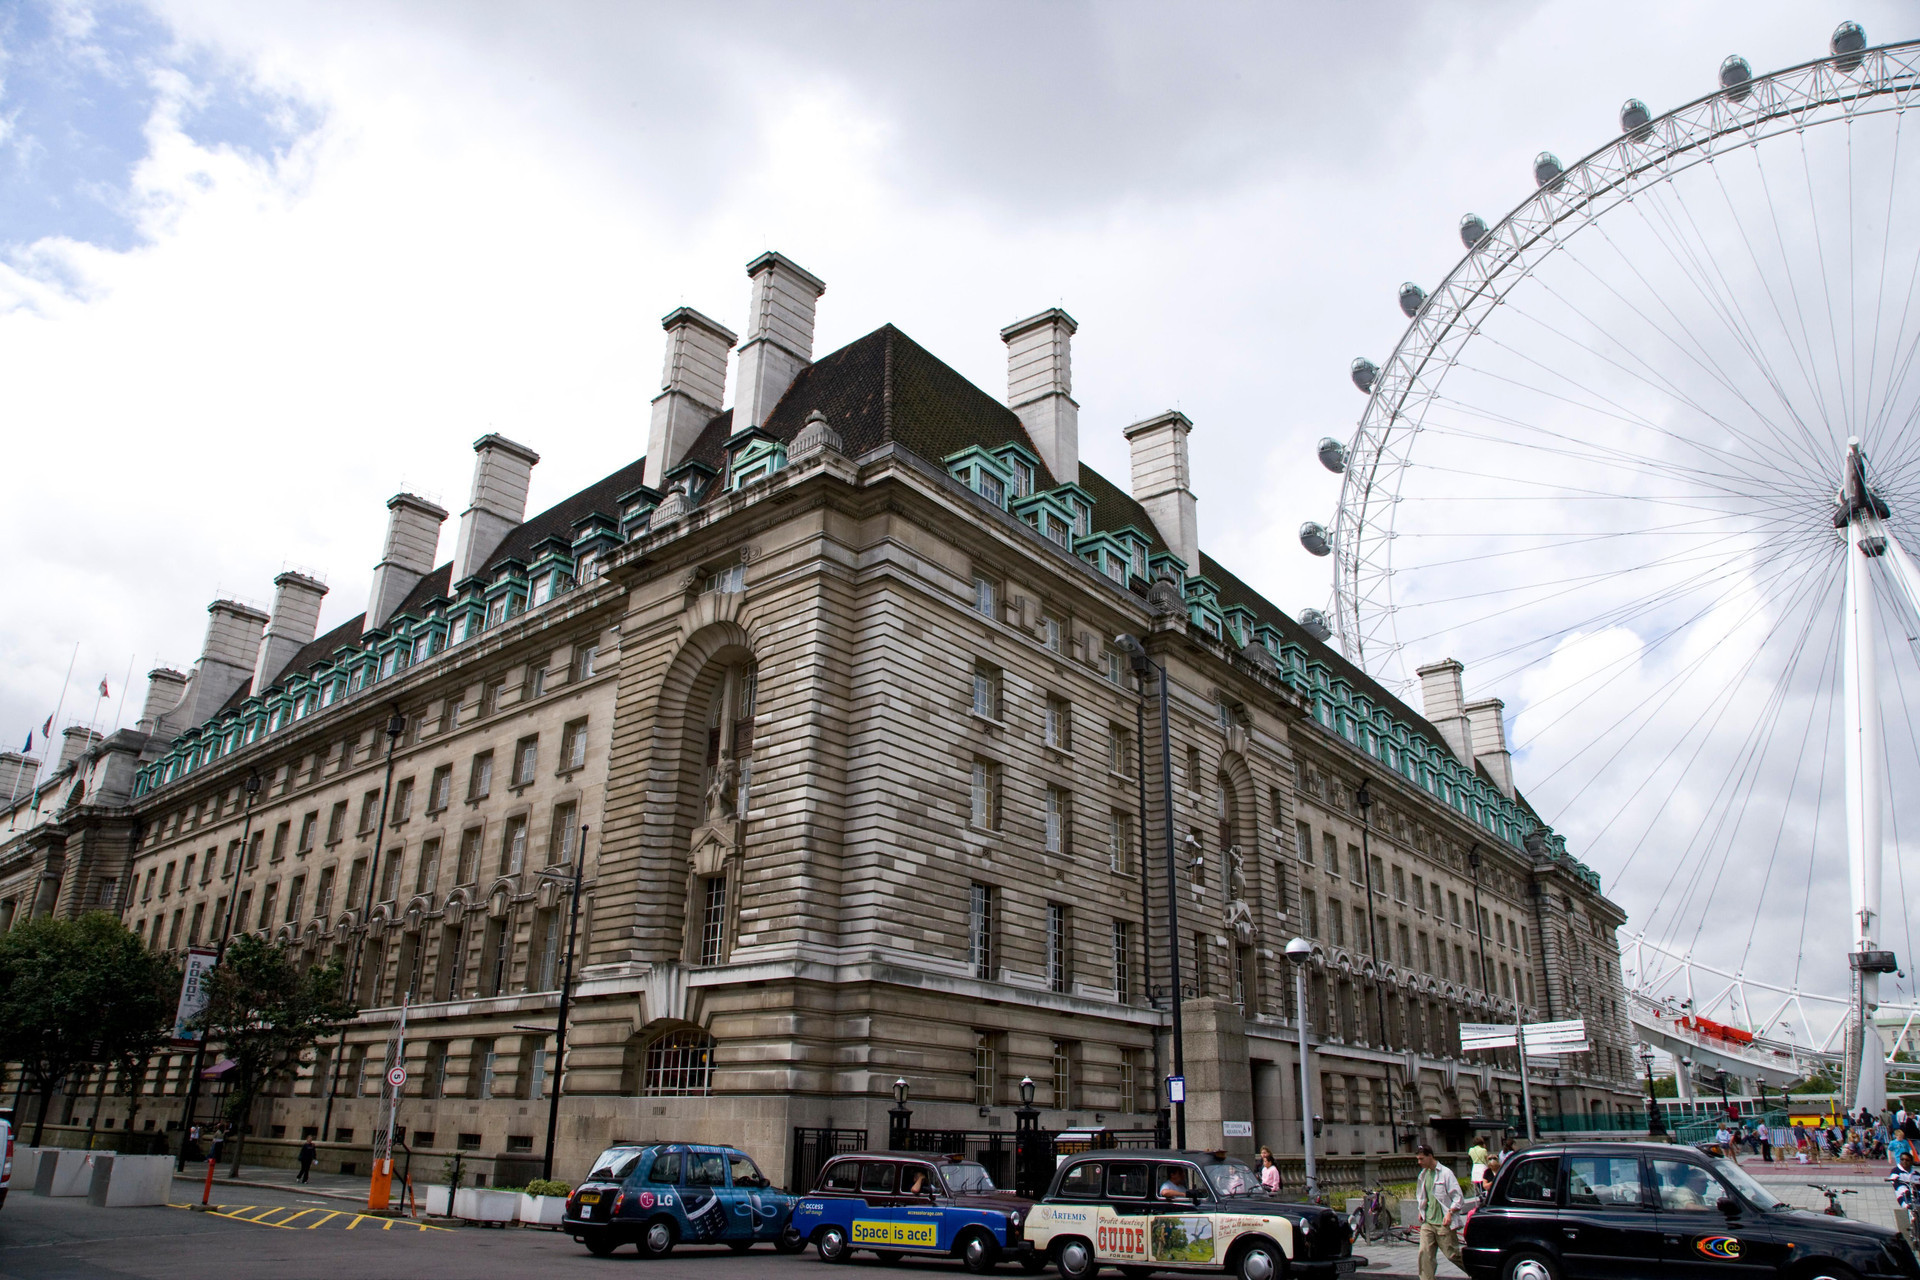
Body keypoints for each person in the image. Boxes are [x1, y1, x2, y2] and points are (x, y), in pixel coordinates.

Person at [1414, 1145, 1465, 1280]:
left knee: (1452, 1255)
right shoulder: (1423, 1175)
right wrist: (1421, 1210)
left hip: (1443, 1223)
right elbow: (1423, 1196)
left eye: (1421, 1158)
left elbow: (1458, 1197)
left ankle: (1477, 1271)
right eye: (1417, 1159)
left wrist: (1450, 1213)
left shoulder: (1446, 1173)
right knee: (1424, 1254)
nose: (1419, 1162)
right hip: (1428, 1223)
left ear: (1430, 1156)